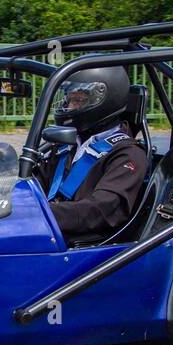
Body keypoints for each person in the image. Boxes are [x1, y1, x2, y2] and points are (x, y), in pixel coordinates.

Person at [41, 66, 148, 243]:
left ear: (104, 101)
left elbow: (102, 211)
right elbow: (35, 181)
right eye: (69, 100)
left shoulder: (129, 155)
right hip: (50, 232)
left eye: (79, 100)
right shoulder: (66, 144)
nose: (69, 107)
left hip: (84, 248)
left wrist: (39, 213)